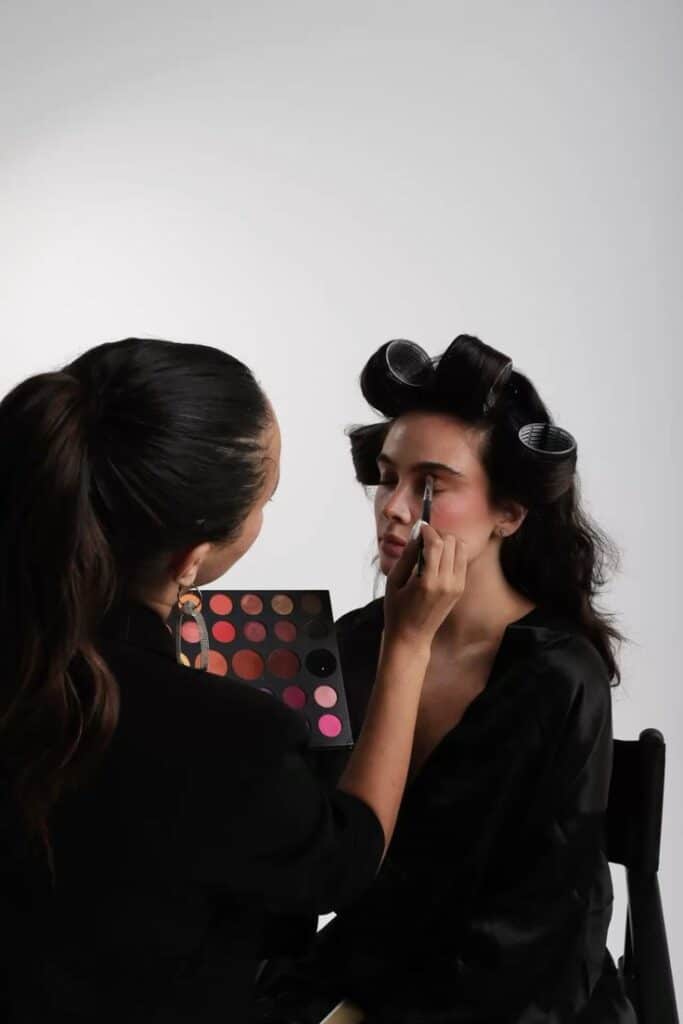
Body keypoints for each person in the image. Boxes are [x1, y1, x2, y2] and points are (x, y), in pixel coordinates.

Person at [0, 337, 466, 1023]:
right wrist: (409, 642)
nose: (395, 508)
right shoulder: (230, 732)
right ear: (191, 556)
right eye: (264, 500)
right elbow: (342, 859)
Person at [256, 335, 636, 1023]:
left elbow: (540, 930)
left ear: (510, 513)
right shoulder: (346, 643)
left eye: (432, 484)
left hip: (511, 1001)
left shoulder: (556, 677)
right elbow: (290, 858)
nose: (394, 507)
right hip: (353, 982)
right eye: (387, 474)